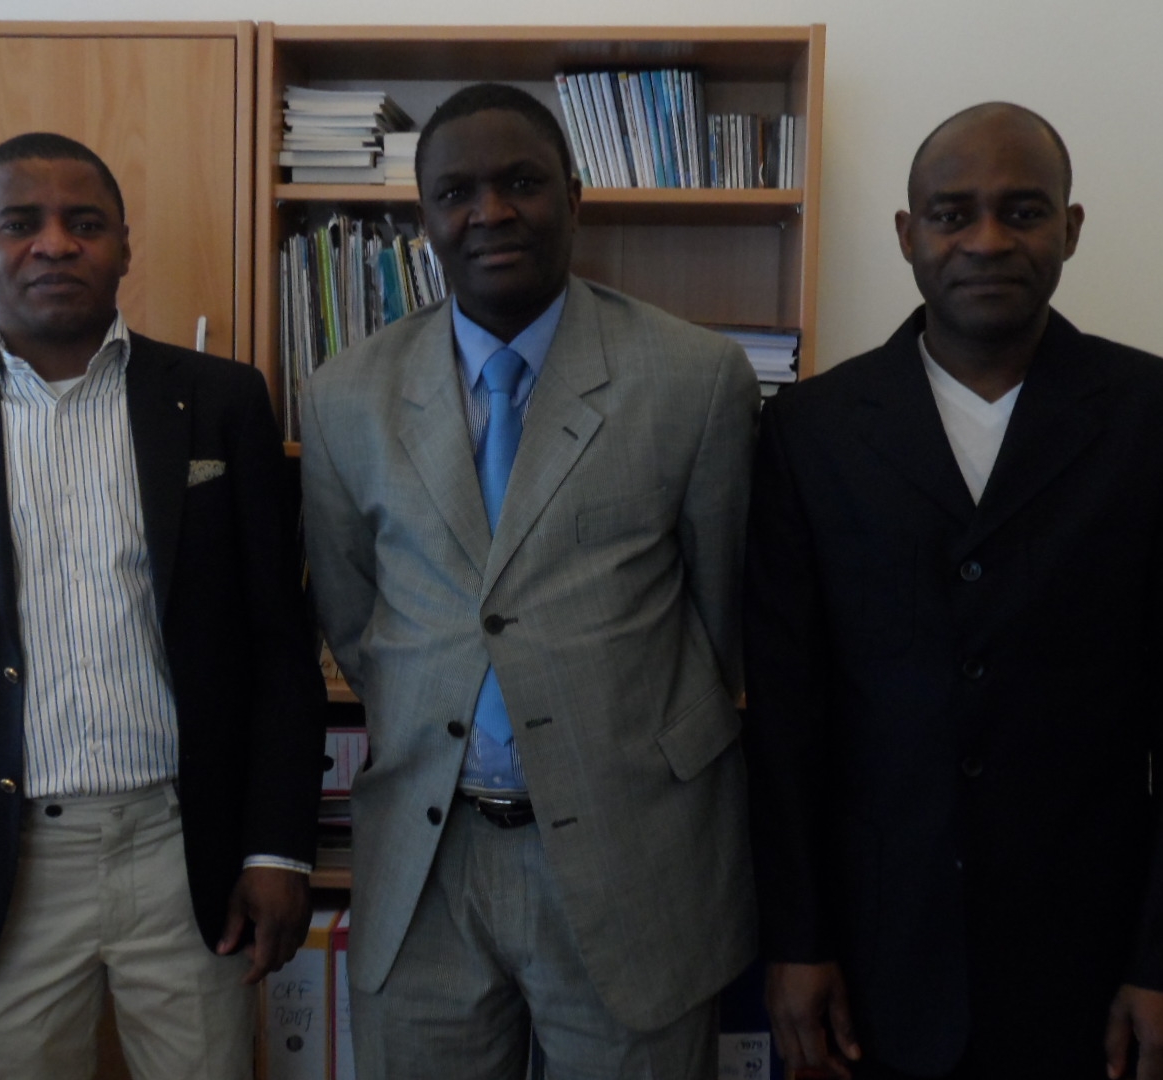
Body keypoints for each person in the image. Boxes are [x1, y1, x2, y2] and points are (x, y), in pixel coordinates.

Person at [743, 103, 1163, 1080]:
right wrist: (794, 942)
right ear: (906, 235)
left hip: (1089, 962)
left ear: (1071, 227)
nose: (986, 240)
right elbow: (787, 715)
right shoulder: (811, 430)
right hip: (875, 956)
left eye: (1023, 211)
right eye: (950, 213)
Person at [301, 83, 761, 1079]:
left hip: (632, 857)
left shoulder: (695, 378)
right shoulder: (345, 398)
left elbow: (724, 618)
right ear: (422, 218)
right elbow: (352, 619)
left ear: (575, 196)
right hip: (428, 864)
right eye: (456, 192)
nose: (490, 213)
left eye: (521, 184)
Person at [0, 131, 325, 1080]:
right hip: (6, 865)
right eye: (21, 224)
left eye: (86, 223)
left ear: (123, 247)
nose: (55, 244)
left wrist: (281, 848)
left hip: (186, 852)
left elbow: (281, 646)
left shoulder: (221, 402)